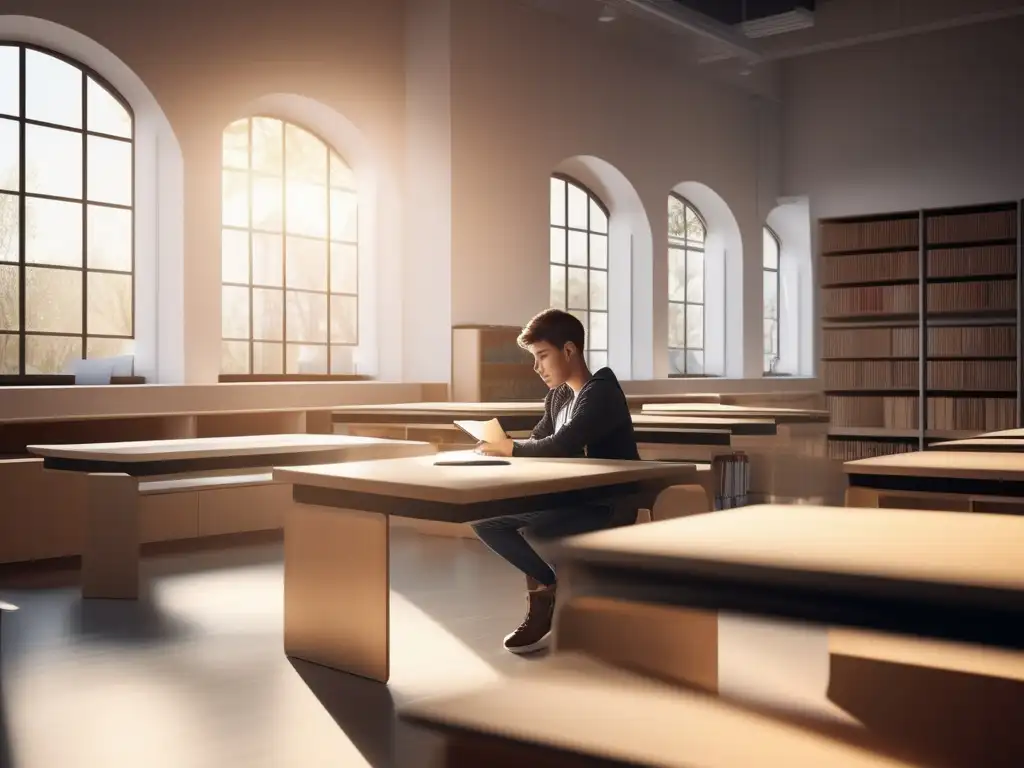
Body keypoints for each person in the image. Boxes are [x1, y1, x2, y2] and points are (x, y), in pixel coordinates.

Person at [472, 308, 640, 654]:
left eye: (542, 356)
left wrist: (511, 448)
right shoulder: (558, 396)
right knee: (486, 522)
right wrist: (502, 448)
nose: (537, 368)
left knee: (540, 529)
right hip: (572, 499)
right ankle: (549, 589)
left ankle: (549, 601)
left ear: (569, 351)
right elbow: (538, 443)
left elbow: (561, 445)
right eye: (534, 358)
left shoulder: (602, 390)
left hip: (606, 502)